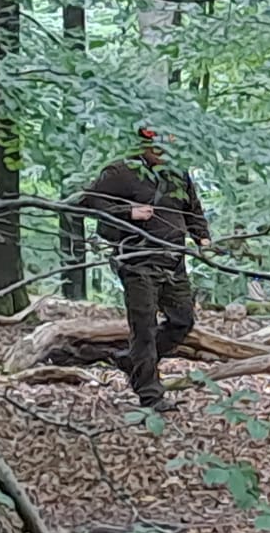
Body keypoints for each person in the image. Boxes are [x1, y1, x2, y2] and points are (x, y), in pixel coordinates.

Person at [78, 127, 211, 412]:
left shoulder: (177, 174)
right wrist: (129, 213)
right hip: (137, 261)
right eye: (157, 148)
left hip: (174, 261)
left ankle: (132, 361)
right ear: (143, 146)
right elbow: (88, 200)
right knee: (144, 329)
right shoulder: (120, 172)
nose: (162, 154)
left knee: (183, 321)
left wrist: (203, 238)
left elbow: (192, 208)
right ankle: (151, 396)